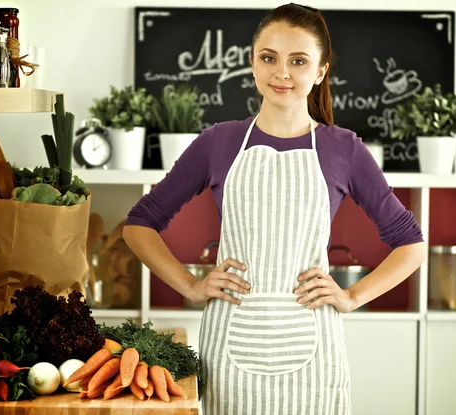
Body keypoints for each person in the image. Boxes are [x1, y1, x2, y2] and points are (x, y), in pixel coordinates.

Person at [123, 3, 426, 414]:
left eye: (298, 61)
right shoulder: (219, 142)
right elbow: (139, 224)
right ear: (252, 62)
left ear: (320, 71)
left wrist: (353, 296)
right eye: (269, 58)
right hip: (230, 350)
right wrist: (191, 286)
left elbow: (410, 243)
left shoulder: (344, 148)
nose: (282, 73)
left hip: (315, 354)